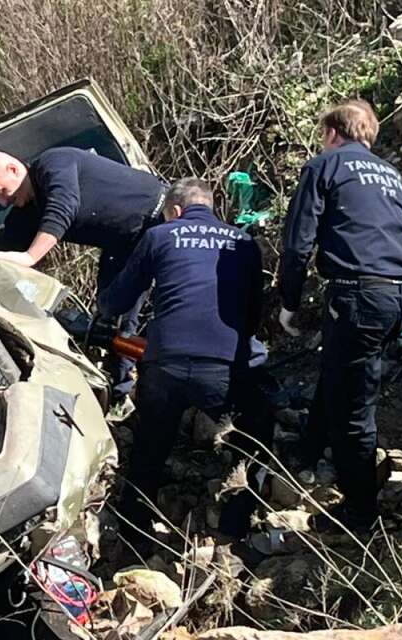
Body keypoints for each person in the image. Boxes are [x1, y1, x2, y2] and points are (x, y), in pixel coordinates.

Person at [96, 177, 272, 546]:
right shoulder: (243, 242)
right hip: (223, 364)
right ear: (209, 206)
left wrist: (105, 311)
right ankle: (235, 522)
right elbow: (255, 313)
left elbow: (118, 300)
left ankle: (134, 534)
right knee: (259, 430)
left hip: (165, 363)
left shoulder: (160, 236)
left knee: (150, 445)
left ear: (174, 210)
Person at [277, 99, 402, 532]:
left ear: (333, 134)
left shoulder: (326, 167)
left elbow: (298, 242)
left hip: (360, 295)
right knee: (341, 370)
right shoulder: (391, 174)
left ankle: (359, 513)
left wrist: (288, 301)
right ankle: (310, 448)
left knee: (355, 408)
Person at [0, 148, 165, 401]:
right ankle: (124, 391)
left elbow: (64, 205)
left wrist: (30, 256)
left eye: (0, 191)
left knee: (149, 312)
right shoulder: (25, 212)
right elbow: (9, 267)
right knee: (109, 317)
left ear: (13, 169)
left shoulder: (53, 163)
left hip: (158, 220)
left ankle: (159, 377)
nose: (1, 202)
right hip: (121, 243)